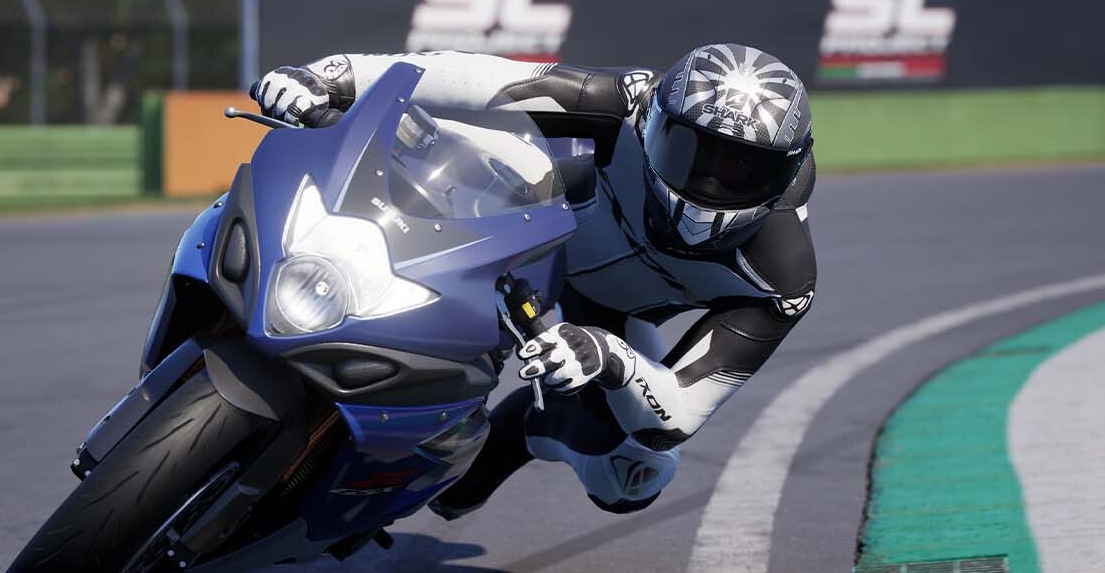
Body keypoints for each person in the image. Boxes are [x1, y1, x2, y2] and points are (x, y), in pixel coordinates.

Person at [250, 44, 818, 516]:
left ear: (789, 170)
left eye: (741, 168)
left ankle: (520, 429)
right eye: (690, 151)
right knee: (465, 142)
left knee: (633, 473)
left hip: (605, 322)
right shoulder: (623, 103)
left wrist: (609, 356)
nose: (710, 183)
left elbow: (679, 412)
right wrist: (331, 79)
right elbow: (473, 78)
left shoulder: (782, 278)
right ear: (651, 124)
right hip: (516, 227)